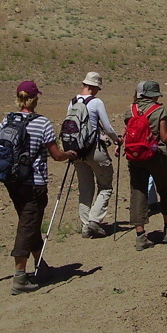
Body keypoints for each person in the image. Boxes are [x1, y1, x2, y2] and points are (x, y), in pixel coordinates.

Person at [0, 80, 77, 294]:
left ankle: (42, 266)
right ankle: (20, 276)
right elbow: (56, 155)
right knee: (27, 225)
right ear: (35, 98)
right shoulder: (43, 123)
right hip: (34, 184)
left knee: (29, 221)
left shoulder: (6, 121)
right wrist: (69, 154)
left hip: (11, 181)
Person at [124, 80, 167, 250]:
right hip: (156, 156)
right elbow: (164, 137)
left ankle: (140, 235)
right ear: (154, 94)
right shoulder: (159, 110)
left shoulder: (131, 109)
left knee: (138, 191)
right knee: (165, 188)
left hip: (135, 157)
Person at [68, 72, 121, 238]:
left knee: (85, 188)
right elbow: (107, 127)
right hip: (94, 149)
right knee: (105, 185)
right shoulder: (96, 102)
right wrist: (117, 140)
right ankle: (94, 221)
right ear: (93, 87)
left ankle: (85, 227)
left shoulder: (72, 102)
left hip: (76, 150)